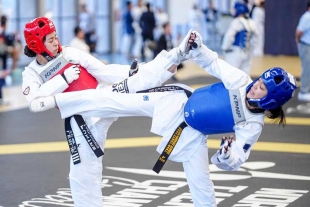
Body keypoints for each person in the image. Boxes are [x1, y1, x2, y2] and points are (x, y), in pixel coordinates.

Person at [29, 30, 297, 207]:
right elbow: (214, 63)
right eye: (259, 81)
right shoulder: (240, 81)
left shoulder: (252, 125)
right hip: (175, 100)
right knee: (113, 99)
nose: (255, 85)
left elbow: (237, 159)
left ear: (270, 101)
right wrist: (198, 47)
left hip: (192, 133)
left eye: (261, 88)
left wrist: (226, 155)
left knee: (204, 190)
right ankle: (59, 101)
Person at [22, 16, 184, 207]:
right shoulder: (31, 73)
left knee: (133, 87)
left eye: (56, 37)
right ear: (36, 45)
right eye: (50, 40)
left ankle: (172, 60)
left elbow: (102, 71)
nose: (56, 42)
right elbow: (34, 102)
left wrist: (128, 73)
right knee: (82, 176)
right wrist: (62, 80)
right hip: (78, 121)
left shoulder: (69, 53)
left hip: (100, 99)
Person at [222, 2, 258, 75]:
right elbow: (256, 37)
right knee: (245, 75)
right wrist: (252, 47)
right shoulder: (251, 22)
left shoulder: (236, 22)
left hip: (235, 51)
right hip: (247, 52)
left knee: (231, 74)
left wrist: (225, 47)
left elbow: (229, 36)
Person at [295, 1, 310, 102]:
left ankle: (307, 89)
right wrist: (299, 42)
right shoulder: (307, 17)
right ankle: (303, 92)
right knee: (307, 69)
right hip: (306, 45)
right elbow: (299, 32)